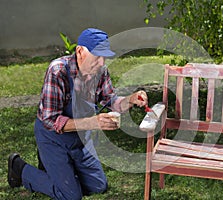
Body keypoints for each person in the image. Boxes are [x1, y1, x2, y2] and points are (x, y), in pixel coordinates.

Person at [7, 28, 148, 199]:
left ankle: (59, 168)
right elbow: (51, 120)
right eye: (97, 57)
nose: (102, 62)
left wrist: (130, 100)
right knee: (71, 196)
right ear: (80, 51)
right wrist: (93, 123)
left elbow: (111, 100)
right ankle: (19, 168)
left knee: (98, 186)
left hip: (80, 138)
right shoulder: (58, 71)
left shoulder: (100, 72)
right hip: (53, 137)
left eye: (104, 57)